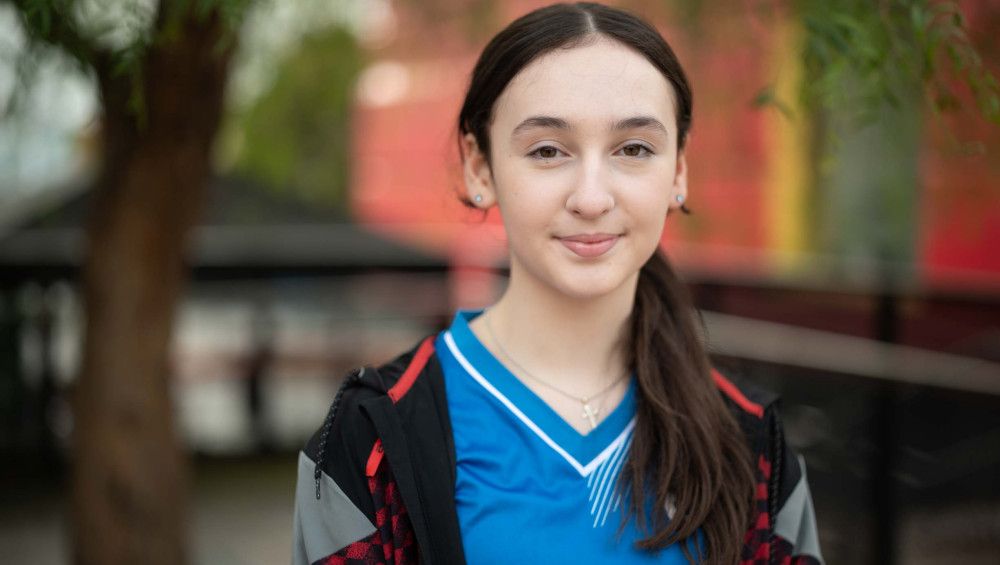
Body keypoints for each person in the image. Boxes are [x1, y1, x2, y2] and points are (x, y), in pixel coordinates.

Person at [292, 2, 823, 564]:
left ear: (679, 171)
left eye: (634, 148)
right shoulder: (372, 439)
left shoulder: (752, 441)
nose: (591, 198)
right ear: (480, 168)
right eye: (547, 150)